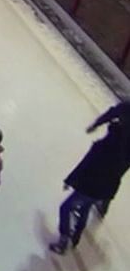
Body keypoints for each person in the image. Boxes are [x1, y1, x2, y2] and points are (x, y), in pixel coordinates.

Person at [52, 103, 130, 254]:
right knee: (86, 207)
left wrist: (69, 180)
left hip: (90, 186)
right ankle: (77, 233)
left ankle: (64, 239)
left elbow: (85, 165)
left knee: (66, 207)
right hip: (106, 189)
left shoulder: (100, 149)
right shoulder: (123, 156)